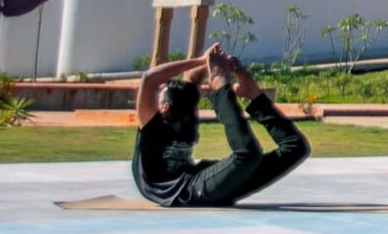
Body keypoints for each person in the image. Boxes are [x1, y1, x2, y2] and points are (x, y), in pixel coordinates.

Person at [131, 44, 311, 208]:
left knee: (296, 147)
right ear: (165, 107)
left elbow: (192, 78)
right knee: (247, 156)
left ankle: (252, 93)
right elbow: (149, 79)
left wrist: (214, 59)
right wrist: (203, 62)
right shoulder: (151, 124)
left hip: (198, 180)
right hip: (183, 192)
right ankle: (222, 86)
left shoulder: (183, 106)